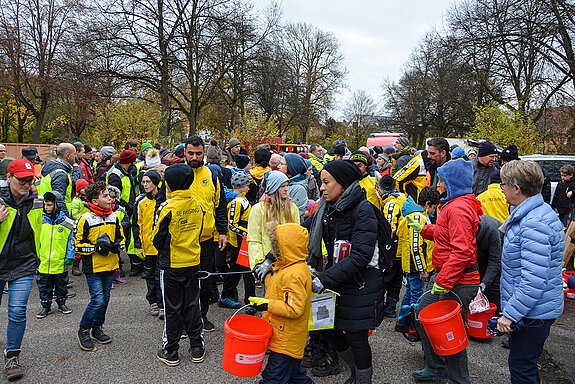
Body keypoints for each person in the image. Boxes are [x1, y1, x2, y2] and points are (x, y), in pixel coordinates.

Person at [307, 160, 384, 384]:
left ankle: (362, 379)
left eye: (326, 182)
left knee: (356, 336)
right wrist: (272, 256)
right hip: (337, 279)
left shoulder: (363, 210)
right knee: (328, 328)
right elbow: (303, 230)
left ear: (342, 183)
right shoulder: (327, 208)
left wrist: (324, 279)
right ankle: (354, 371)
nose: (321, 188)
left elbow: (361, 256)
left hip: (361, 283)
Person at [411, 158, 482, 383]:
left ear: (452, 182)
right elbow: (449, 235)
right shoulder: (455, 203)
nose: (438, 183)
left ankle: (457, 378)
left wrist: (443, 280)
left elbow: (462, 250)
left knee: (451, 331)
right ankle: (437, 367)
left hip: (458, 281)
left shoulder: (459, 207)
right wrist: (426, 229)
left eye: (441, 179)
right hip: (452, 279)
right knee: (426, 317)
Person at [497, 160, 564, 384]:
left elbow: (533, 281)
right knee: (524, 364)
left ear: (517, 188)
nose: (501, 189)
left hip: (533, 313)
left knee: (522, 368)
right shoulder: (528, 213)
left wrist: (510, 314)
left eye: (503, 184)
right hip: (532, 310)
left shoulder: (534, 223)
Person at [153, 163, 205, 366]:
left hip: (171, 264)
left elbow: (156, 239)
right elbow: (201, 230)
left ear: (169, 184)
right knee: (193, 305)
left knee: (172, 308)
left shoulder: (167, 208)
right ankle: (197, 348)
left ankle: (171, 350)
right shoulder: (197, 204)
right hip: (193, 261)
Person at [248, 223, 313, 384]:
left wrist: (267, 305)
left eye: (277, 246)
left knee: (272, 378)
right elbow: (280, 288)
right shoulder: (287, 267)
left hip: (286, 339)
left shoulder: (294, 274)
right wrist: (265, 276)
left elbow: (294, 309)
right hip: (287, 336)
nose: (274, 249)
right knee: (295, 376)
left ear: (288, 247)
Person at [0, 159, 43, 380]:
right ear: (8, 178)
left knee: (17, 311)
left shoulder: (36, 200)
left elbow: (42, 230)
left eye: (30, 180)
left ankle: (12, 355)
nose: (26, 184)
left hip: (23, 264)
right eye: (22, 180)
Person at [183, 136, 228, 332]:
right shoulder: (176, 174)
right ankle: (185, 321)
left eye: (198, 153)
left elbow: (220, 206)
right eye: (190, 153)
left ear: (204, 153)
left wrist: (223, 232)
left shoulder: (212, 175)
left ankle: (202, 316)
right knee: (185, 282)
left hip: (206, 240)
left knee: (205, 281)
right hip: (182, 241)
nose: (194, 157)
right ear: (184, 153)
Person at [74, 181, 125, 352]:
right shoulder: (85, 219)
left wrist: (116, 246)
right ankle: (84, 329)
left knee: (105, 299)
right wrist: (95, 248)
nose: (110, 198)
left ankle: (97, 328)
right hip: (93, 268)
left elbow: (122, 239)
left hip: (110, 266)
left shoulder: (114, 216)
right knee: (97, 300)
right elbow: (77, 245)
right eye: (105, 196)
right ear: (95, 201)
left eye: (109, 195)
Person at [396, 188, 439, 338]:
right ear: (427, 204)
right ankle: (414, 328)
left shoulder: (415, 216)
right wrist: (422, 269)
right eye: (433, 207)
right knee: (417, 297)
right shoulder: (418, 218)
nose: (433, 211)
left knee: (409, 293)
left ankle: (401, 322)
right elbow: (416, 246)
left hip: (412, 265)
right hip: (416, 267)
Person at [247, 171, 300, 272]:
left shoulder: (292, 208)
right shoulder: (258, 209)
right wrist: (259, 264)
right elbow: (254, 240)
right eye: (282, 186)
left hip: (289, 263)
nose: (286, 189)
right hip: (268, 264)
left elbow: (296, 236)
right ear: (273, 188)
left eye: (286, 185)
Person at [217, 172, 255, 309]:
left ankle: (229, 296)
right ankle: (248, 301)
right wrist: (248, 233)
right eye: (247, 185)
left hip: (242, 240)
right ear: (241, 186)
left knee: (239, 271)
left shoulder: (242, 199)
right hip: (239, 242)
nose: (249, 188)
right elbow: (232, 224)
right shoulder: (237, 202)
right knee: (244, 271)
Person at [35, 191, 75, 319]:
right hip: (44, 261)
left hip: (60, 261)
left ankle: (62, 303)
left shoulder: (67, 222)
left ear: (57, 205)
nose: (46, 207)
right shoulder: (40, 221)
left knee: (61, 285)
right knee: (44, 286)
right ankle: (46, 306)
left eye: (49, 205)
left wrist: (70, 255)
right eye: (45, 205)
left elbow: (71, 240)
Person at [133, 170, 163, 317]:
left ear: (156, 182)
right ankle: (153, 302)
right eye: (143, 182)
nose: (145, 185)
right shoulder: (140, 201)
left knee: (161, 276)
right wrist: (138, 245)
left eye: (148, 182)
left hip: (161, 247)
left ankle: (163, 302)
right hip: (147, 246)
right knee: (150, 275)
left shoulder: (164, 199)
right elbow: (136, 224)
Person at [106, 149, 139, 276]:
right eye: (133, 161)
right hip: (121, 211)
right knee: (119, 238)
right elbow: (114, 195)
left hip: (127, 209)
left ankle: (132, 264)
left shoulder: (125, 172)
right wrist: (127, 206)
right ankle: (117, 267)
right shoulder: (116, 175)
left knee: (128, 238)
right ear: (129, 162)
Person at [379, 175, 407, 318]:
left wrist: (385, 249)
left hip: (393, 249)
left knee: (386, 277)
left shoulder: (391, 204)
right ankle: (391, 307)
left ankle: (380, 307)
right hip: (403, 248)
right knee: (397, 278)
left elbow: (388, 229)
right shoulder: (406, 199)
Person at [38, 143, 81, 214]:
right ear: (67, 156)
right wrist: (66, 219)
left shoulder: (51, 168)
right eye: (74, 154)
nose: (75, 157)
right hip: (56, 217)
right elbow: (59, 202)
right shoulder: (60, 174)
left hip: (46, 212)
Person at [476, 214, 503, 309]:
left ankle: (495, 313)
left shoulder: (491, 229)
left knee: (493, 282)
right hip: (481, 253)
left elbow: (495, 260)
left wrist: (485, 282)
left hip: (499, 251)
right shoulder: (463, 229)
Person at [278, 153, 309, 223]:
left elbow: (297, 214)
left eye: (282, 164)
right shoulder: (284, 182)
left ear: (291, 167)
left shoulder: (299, 189)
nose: (278, 166)